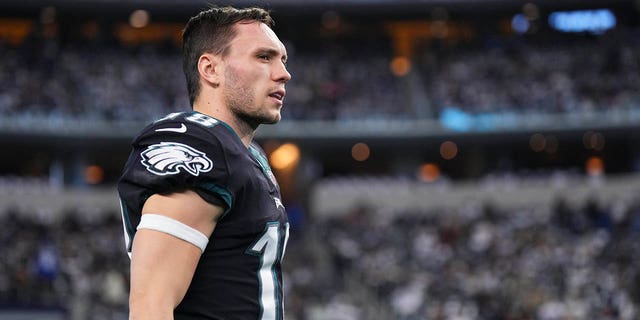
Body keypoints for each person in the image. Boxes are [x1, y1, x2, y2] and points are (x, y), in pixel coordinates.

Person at [117, 6, 292, 320]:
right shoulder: (201, 146)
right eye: (264, 57)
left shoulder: (248, 155)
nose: (283, 73)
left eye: (282, 59)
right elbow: (150, 307)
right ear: (211, 69)